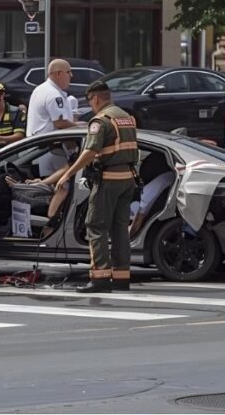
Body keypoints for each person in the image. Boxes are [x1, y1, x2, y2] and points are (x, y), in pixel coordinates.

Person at [57, 80, 139, 293]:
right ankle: (122, 278)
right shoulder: (126, 117)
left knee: (96, 226)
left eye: (90, 101)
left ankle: (100, 278)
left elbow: (90, 152)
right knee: (120, 228)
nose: (91, 105)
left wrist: (67, 173)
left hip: (108, 180)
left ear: (95, 98)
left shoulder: (101, 121)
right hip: (127, 179)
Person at [27, 58, 76, 175]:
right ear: (58, 74)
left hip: (39, 148)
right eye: (68, 72)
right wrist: (79, 127)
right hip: (52, 148)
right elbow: (60, 123)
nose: (71, 75)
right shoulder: (53, 94)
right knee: (62, 186)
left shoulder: (41, 89)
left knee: (49, 187)